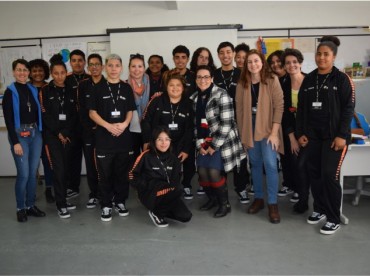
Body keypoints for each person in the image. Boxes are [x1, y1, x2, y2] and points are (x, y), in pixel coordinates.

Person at [296, 36, 355, 235]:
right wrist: (300, 133)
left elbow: (348, 109)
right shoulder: (309, 79)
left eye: (326, 54)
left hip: (334, 138)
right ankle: (320, 209)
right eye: (319, 54)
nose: (321, 58)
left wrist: (341, 135)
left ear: (334, 57)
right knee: (316, 175)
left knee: (330, 175)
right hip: (313, 137)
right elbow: (302, 109)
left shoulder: (342, 79)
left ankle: (333, 217)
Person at [190, 65, 246, 218]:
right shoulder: (194, 98)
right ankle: (212, 199)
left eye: (206, 77)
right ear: (196, 79)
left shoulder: (222, 94)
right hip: (204, 142)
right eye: (199, 77)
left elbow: (227, 123)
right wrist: (200, 145)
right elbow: (195, 125)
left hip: (222, 141)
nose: (203, 80)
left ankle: (224, 204)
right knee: (202, 173)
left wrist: (214, 146)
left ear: (212, 78)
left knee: (214, 173)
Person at [235, 49, 284, 224]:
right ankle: (259, 198)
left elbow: (279, 106)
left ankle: (272, 203)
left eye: (256, 61)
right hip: (250, 126)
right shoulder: (242, 83)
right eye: (249, 62)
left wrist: (274, 133)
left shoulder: (272, 80)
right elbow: (239, 111)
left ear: (262, 62)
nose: (253, 64)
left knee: (270, 164)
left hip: (268, 127)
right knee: (254, 163)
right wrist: (243, 135)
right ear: (245, 65)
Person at [88, 53, 136, 222]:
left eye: (117, 65)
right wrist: (108, 126)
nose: (114, 69)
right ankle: (106, 205)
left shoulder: (126, 88)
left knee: (122, 173)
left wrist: (124, 124)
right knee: (105, 174)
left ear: (121, 68)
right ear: (104, 67)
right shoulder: (97, 88)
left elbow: (130, 110)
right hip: (104, 138)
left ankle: (120, 201)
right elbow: (92, 113)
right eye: (110, 65)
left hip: (123, 138)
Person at [3, 59, 46, 222]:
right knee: (24, 174)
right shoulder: (10, 92)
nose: (22, 73)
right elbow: (8, 120)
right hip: (19, 134)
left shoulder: (32, 89)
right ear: (14, 72)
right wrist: (15, 142)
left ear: (28, 72)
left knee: (33, 172)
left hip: (35, 133)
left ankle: (30, 205)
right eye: (19, 70)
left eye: (25, 70)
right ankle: (20, 207)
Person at [141, 71, 195, 200]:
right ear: (166, 86)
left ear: (183, 88)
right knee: (160, 169)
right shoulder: (157, 100)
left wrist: (186, 149)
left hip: (180, 142)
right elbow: (146, 120)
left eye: (178, 85)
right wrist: (147, 141)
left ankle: (185, 185)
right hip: (160, 143)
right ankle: (159, 189)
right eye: (171, 85)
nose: (175, 88)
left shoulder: (188, 104)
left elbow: (190, 129)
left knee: (186, 162)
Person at [129, 126, 192, 227]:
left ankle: (159, 209)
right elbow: (132, 175)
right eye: (160, 139)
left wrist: (172, 194)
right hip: (149, 193)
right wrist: (145, 186)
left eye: (167, 139)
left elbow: (176, 180)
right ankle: (157, 213)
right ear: (154, 141)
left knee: (186, 216)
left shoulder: (174, 159)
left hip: (167, 192)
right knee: (179, 188)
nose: (164, 143)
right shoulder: (146, 156)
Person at [39, 54, 78, 219]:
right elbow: (45, 115)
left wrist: (66, 132)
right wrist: (59, 132)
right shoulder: (45, 90)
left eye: (62, 72)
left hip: (68, 135)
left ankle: (64, 200)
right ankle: (61, 205)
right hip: (53, 136)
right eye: (56, 73)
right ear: (51, 74)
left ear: (66, 72)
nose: (60, 76)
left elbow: (74, 113)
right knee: (59, 171)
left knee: (67, 169)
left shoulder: (71, 90)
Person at [214, 41, 251, 204]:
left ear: (233, 54)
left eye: (228, 52)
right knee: (219, 158)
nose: (225, 55)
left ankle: (241, 188)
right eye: (222, 52)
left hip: (238, 123)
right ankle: (220, 190)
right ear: (218, 55)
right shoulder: (213, 75)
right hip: (219, 123)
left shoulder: (243, 74)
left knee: (239, 158)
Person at [279, 48, 307, 210]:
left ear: (300, 63)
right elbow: (284, 113)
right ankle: (302, 199)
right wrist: (292, 138)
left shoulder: (311, 81)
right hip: (292, 131)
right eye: (288, 63)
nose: (292, 65)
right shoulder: (284, 84)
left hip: (309, 132)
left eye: (295, 62)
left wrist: (305, 135)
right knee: (296, 164)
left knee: (308, 167)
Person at [77, 53, 105, 208]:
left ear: (102, 67)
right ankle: (94, 194)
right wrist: (90, 126)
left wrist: (101, 125)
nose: (94, 67)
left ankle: (106, 192)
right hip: (88, 131)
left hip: (105, 131)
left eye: (97, 64)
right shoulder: (83, 85)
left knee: (105, 164)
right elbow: (81, 108)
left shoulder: (108, 83)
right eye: (91, 64)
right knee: (90, 163)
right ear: (88, 67)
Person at [65, 49, 90, 199]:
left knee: (91, 159)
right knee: (72, 159)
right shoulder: (65, 79)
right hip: (72, 127)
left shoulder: (90, 78)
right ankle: (73, 187)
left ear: (84, 62)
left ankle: (96, 189)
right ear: (70, 62)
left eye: (80, 60)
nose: (77, 63)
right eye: (74, 60)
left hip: (89, 126)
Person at [29, 58, 54, 204]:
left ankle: (49, 189)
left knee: (48, 161)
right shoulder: (25, 88)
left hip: (47, 131)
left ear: (45, 72)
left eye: (40, 70)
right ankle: (30, 193)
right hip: (31, 132)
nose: (37, 73)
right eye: (34, 70)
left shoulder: (49, 87)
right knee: (32, 164)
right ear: (30, 73)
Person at [127, 53, 151, 160]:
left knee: (149, 158)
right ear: (129, 68)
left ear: (144, 68)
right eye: (133, 66)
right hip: (131, 128)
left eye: (140, 66)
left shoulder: (153, 84)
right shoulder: (124, 86)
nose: (137, 69)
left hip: (149, 127)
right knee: (133, 159)